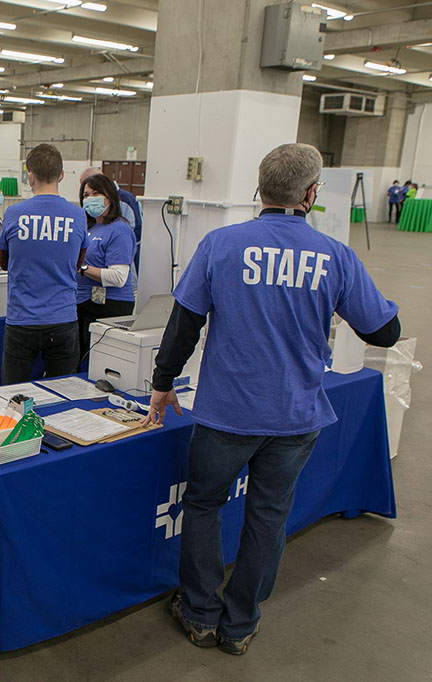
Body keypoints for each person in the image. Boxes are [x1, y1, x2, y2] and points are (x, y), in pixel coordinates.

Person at [142, 143, 401, 656]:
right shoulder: (335, 256)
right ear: (311, 194)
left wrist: (163, 381)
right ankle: (239, 625)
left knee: (203, 506)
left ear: (260, 189)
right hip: (294, 415)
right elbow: (386, 332)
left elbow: (184, 323)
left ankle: (198, 614)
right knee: (267, 517)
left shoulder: (221, 244)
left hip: (225, 414)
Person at [0, 144, 87, 383]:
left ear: (30, 176)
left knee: (13, 393)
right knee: (63, 393)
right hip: (62, 317)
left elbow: (4, 261)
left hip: (22, 318)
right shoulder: (77, 215)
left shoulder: (14, 214)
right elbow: (79, 262)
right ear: (62, 175)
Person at [76, 173, 136, 356]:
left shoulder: (119, 230)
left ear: (109, 196)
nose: (90, 199)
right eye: (86, 195)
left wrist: (82, 269)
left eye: (95, 193)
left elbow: (118, 277)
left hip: (109, 306)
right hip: (83, 303)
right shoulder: (89, 228)